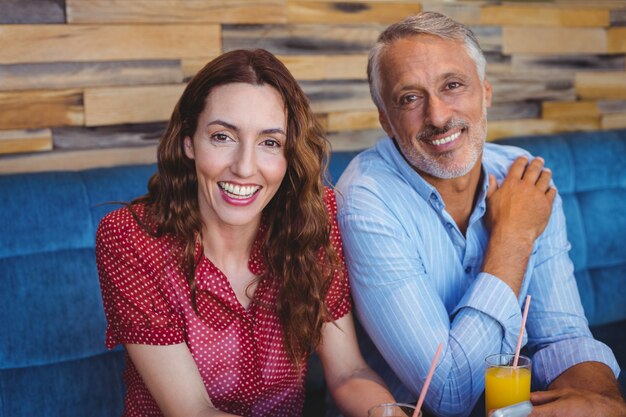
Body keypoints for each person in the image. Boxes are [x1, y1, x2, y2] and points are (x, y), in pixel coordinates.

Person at [335, 11, 625, 417]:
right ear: (386, 120)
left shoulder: (522, 174)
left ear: (485, 93)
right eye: (410, 98)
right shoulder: (366, 200)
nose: (437, 116)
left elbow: (562, 335)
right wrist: (513, 237)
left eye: (452, 85)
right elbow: (450, 392)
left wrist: (605, 401)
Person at [95, 48, 395, 417]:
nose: (244, 167)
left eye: (270, 142)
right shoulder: (130, 238)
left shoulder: (312, 221)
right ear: (189, 141)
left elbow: (348, 370)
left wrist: (388, 412)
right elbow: (192, 410)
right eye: (223, 137)